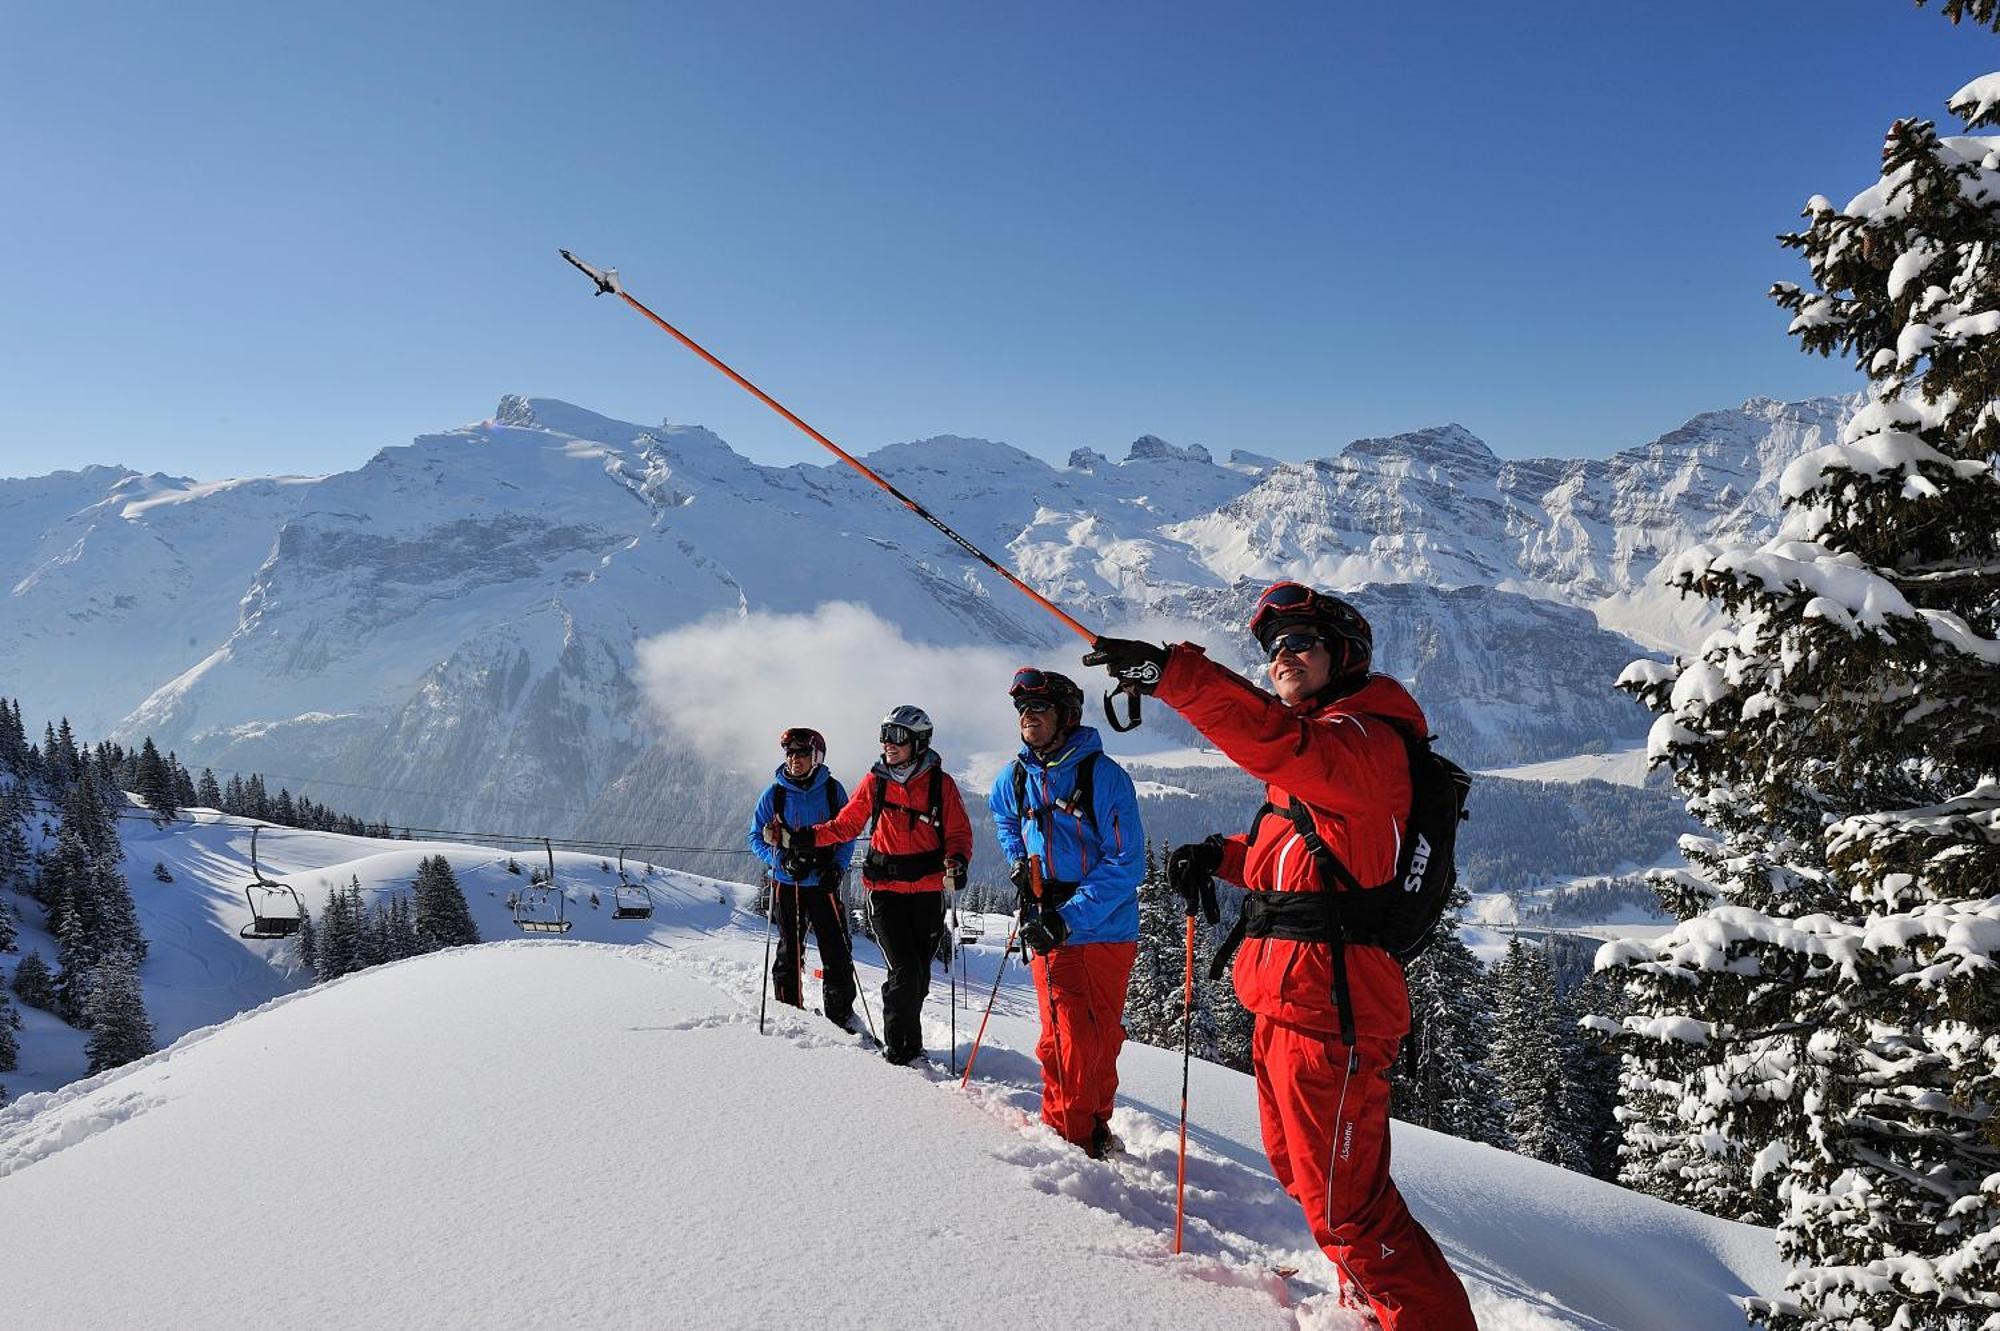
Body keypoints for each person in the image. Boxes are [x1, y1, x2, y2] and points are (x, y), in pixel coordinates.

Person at [1082, 582, 1476, 1331]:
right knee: (1308, 1178)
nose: (1282, 656)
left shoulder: (1361, 741)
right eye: (1272, 648)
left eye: (1300, 640)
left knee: (1350, 1208)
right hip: (1289, 1006)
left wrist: (1171, 675)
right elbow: (1307, 859)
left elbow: (1275, 740)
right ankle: (1366, 1303)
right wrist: (1221, 856)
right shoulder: (1330, 744)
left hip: (1333, 1014)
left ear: (1345, 653)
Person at [988, 668, 1144, 1159]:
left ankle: (1092, 1123)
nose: (1027, 717)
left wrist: (1069, 914)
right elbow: (1002, 815)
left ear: (1067, 716)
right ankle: (1070, 1137)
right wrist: (1018, 861)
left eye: (1038, 708)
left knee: (1097, 1038)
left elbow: (1127, 861)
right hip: (1048, 922)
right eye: (1021, 709)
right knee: (1065, 1038)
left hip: (1103, 928)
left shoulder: (1103, 777)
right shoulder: (1016, 775)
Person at [770, 705, 972, 1066]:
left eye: (897, 737)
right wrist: (802, 838)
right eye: (884, 735)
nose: (888, 744)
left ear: (918, 741)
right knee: (905, 972)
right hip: (885, 892)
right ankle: (901, 1051)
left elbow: (957, 833)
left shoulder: (941, 785)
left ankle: (909, 1044)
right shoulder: (876, 781)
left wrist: (957, 861)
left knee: (919, 976)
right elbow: (845, 825)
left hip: (927, 892)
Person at [750, 727, 858, 1029]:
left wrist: (837, 867)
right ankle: (790, 1013)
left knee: (836, 952)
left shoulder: (833, 790)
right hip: (788, 883)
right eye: (790, 753)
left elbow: (848, 834)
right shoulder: (775, 793)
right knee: (789, 952)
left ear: (816, 757)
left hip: (823, 883)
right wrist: (780, 860)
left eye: (802, 753)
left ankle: (841, 1017)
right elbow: (755, 837)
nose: (794, 758)